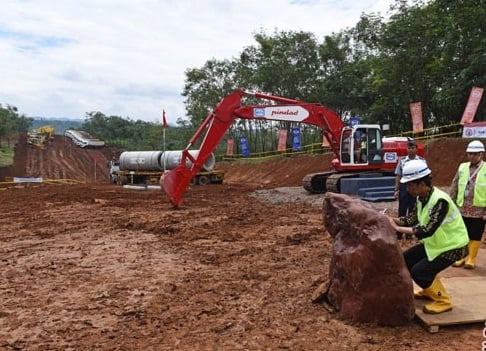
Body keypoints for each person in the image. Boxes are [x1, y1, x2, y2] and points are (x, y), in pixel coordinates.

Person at [388, 159, 469, 314]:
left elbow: (428, 230)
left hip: (452, 246)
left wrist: (398, 228)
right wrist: (391, 220)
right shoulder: (421, 199)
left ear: (422, 184)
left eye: (410, 185)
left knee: (420, 272)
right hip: (436, 244)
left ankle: (443, 300)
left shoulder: (440, 200)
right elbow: (411, 219)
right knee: (405, 259)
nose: (408, 189)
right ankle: (428, 289)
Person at [449, 140, 486, 269]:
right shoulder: (462, 167)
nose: (472, 156)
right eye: (470, 154)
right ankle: (461, 257)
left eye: (475, 154)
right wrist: (450, 202)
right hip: (462, 208)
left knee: (475, 234)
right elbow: (455, 185)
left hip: (479, 210)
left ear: (481, 154)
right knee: (462, 233)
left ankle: (471, 258)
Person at [394, 138, 426, 240]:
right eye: (409, 148)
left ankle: (409, 234)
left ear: (416, 149)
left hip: (416, 188)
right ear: (406, 149)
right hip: (404, 187)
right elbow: (398, 175)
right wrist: (396, 190)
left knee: (413, 210)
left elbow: (425, 176)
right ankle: (399, 233)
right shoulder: (402, 161)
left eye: (413, 148)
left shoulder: (421, 161)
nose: (411, 150)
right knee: (402, 210)